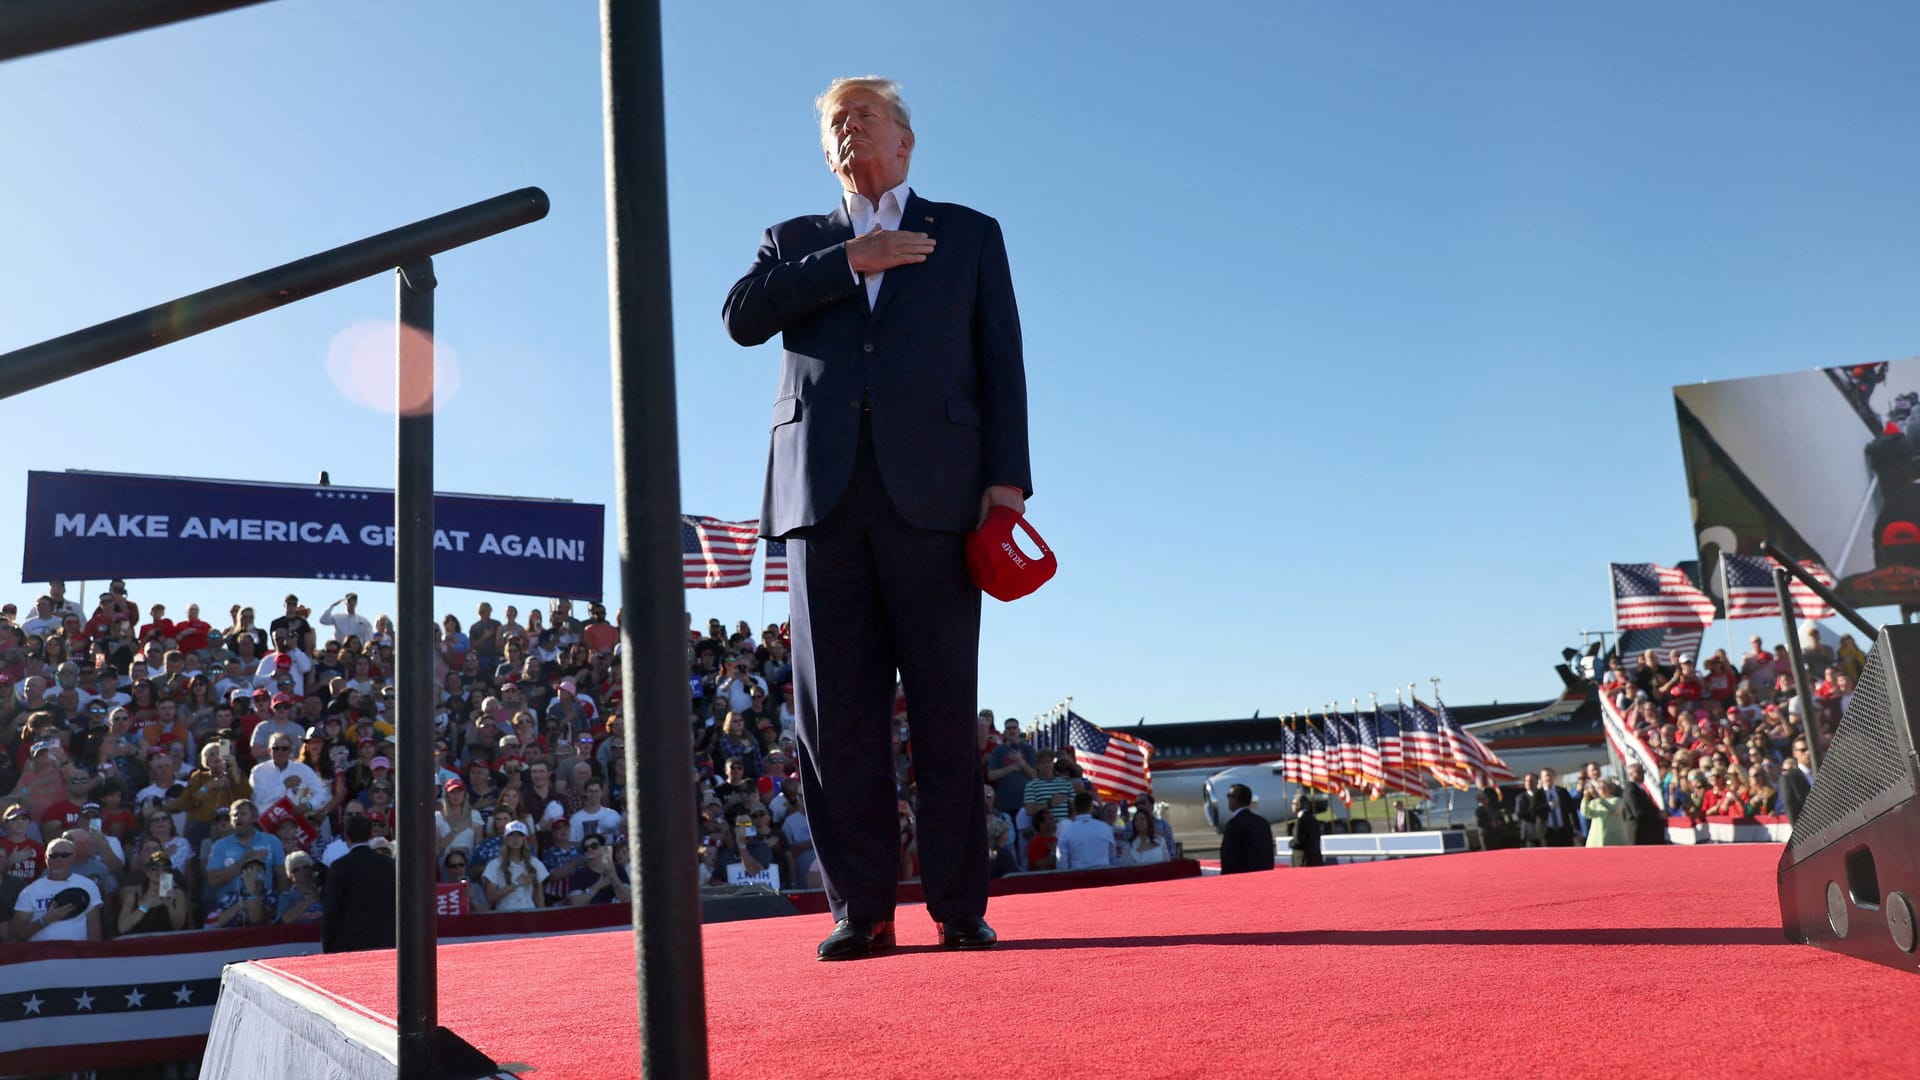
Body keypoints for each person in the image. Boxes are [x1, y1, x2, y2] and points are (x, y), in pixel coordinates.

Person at [724, 75, 1031, 961]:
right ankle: (860, 909)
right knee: (837, 722)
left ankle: (958, 907)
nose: (849, 129)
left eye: (865, 116)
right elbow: (741, 318)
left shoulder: (969, 233)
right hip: (822, 501)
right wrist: (845, 263)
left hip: (938, 499)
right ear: (829, 151)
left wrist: (1006, 482)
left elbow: (1000, 359)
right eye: (835, 122)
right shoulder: (794, 241)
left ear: (904, 140)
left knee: (943, 710)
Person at [322, 814, 396, 952]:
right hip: (386, 940)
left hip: (350, 943)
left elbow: (331, 909)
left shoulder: (339, 867)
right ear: (370, 835)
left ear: (346, 835)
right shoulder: (389, 864)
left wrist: (328, 946)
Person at [11, 835, 103, 941]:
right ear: (46, 858)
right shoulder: (30, 891)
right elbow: (16, 934)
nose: (59, 859)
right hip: (42, 955)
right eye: (53, 855)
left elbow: (94, 932)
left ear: (74, 857)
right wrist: (45, 921)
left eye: (65, 855)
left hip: (76, 954)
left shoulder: (88, 885)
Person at [1218, 784, 1275, 874]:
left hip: (1241, 878)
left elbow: (1229, 856)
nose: (1228, 799)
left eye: (1230, 796)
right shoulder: (1262, 822)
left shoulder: (1234, 824)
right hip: (1263, 876)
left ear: (1236, 799)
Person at [1055, 792, 1114, 870]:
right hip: (1102, 874)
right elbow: (1112, 855)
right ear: (1091, 807)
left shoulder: (1067, 831)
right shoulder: (1105, 827)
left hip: (1078, 876)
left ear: (1075, 807)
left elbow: (1061, 860)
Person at [1622, 762, 1668, 845]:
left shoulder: (1638, 789)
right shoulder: (1631, 790)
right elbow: (1638, 812)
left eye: (1643, 772)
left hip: (1646, 832)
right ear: (1630, 774)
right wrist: (1658, 814)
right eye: (1639, 772)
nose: (1642, 774)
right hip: (1639, 833)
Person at [1581, 779, 1629, 847]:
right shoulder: (1594, 802)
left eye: (1603, 787)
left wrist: (1596, 796)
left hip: (1613, 840)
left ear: (1610, 789)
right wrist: (1585, 798)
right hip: (1596, 842)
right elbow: (1586, 813)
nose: (1600, 789)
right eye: (1598, 788)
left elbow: (1613, 809)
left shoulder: (1618, 801)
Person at [1288, 794, 1324, 868]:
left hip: (1303, 861)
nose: (1292, 806)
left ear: (1299, 805)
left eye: (1293, 804)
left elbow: (1298, 841)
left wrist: (1290, 843)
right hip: (1315, 860)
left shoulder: (1301, 820)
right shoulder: (1313, 819)